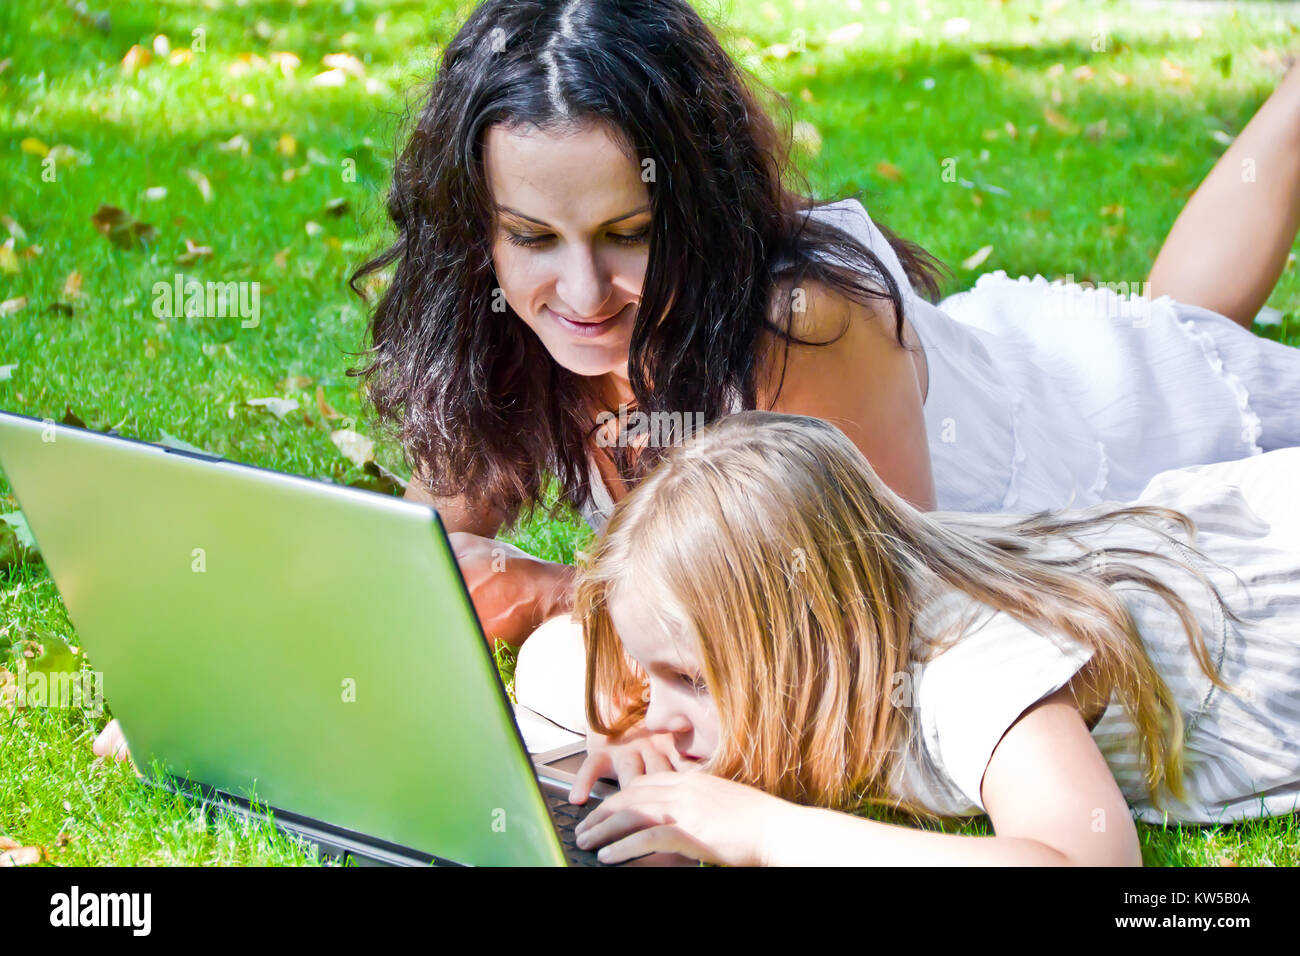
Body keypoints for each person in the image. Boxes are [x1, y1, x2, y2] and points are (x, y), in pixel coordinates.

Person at [351, 0, 1300, 655]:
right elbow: (427, 552)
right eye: (532, 237)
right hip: (994, 366)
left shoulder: (802, 326)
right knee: (1180, 321)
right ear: (478, 229)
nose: (585, 290)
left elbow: (886, 613)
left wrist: (563, 595)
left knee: (1188, 352)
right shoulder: (500, 319)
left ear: (701, 203)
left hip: (1080, 443)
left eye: (628, 234)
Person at [564, 411, 1300, 865]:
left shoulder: (965, 672)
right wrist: (635, 735)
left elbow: (1090, 866)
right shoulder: (848, 627)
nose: (657, 711)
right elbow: (547, 661)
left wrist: (771, 834)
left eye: (691, 680)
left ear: (819, 642)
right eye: (649, 674)